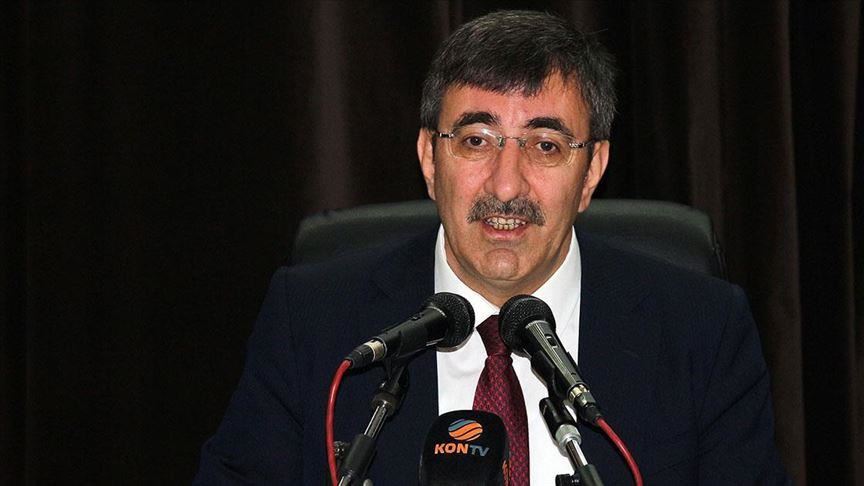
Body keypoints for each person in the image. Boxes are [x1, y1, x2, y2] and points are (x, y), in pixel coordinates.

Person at [195, 10, 789, 485]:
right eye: (477, 140)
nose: (506, 186)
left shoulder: (702, 331)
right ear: (431, 159)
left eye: (546, 146)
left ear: (592, 172)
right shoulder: (313, 322)